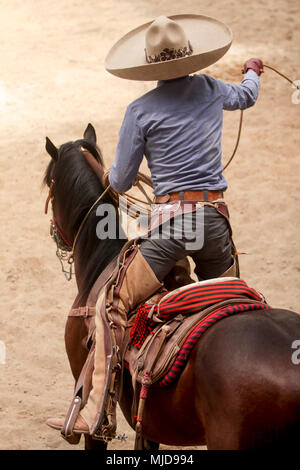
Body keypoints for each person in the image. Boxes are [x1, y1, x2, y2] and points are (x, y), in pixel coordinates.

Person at [47, 14, 263, 438]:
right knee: (235, 304)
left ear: (149, 65)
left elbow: (123, 180)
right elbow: (247, 97)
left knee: (111, 305)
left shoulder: (141, 110)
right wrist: (253, 71)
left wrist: (110, 175)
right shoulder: (211, 88)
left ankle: (98, 411)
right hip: (215, 226)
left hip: (172, 230)